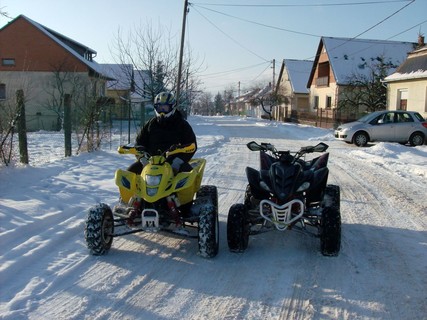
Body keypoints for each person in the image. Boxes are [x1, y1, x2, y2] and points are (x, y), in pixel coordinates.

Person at [127, 91, 197, 175]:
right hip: (150, 162)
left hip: (174, 162)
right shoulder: (150, 124)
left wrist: (178, 161)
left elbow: (192, 145)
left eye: (165, 108)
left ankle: (193, 188)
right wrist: (142, 157)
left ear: (172, 108)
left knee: (190, 176)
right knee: (129, 173)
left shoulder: (182, 125)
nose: (162, 111)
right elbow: (139, 142)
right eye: (159, 108)